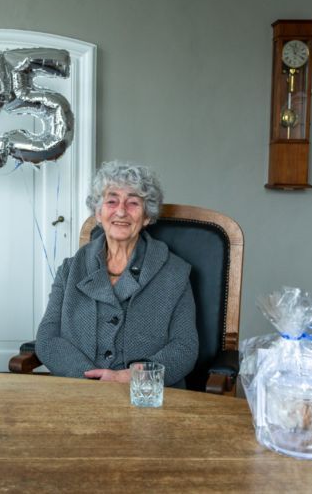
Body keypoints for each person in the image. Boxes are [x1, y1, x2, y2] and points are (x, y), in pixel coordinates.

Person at [35, 161, 198, 388]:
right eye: (111, 201)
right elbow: (47, 338)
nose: (121, 211)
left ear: (147, 216)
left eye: (133, 203)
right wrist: (89, 378)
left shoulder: (175, 273)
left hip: (145, 396)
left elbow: (184, 348)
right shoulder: (70, 270)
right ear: (98, 213)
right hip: (78, 392)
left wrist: (131, 378)